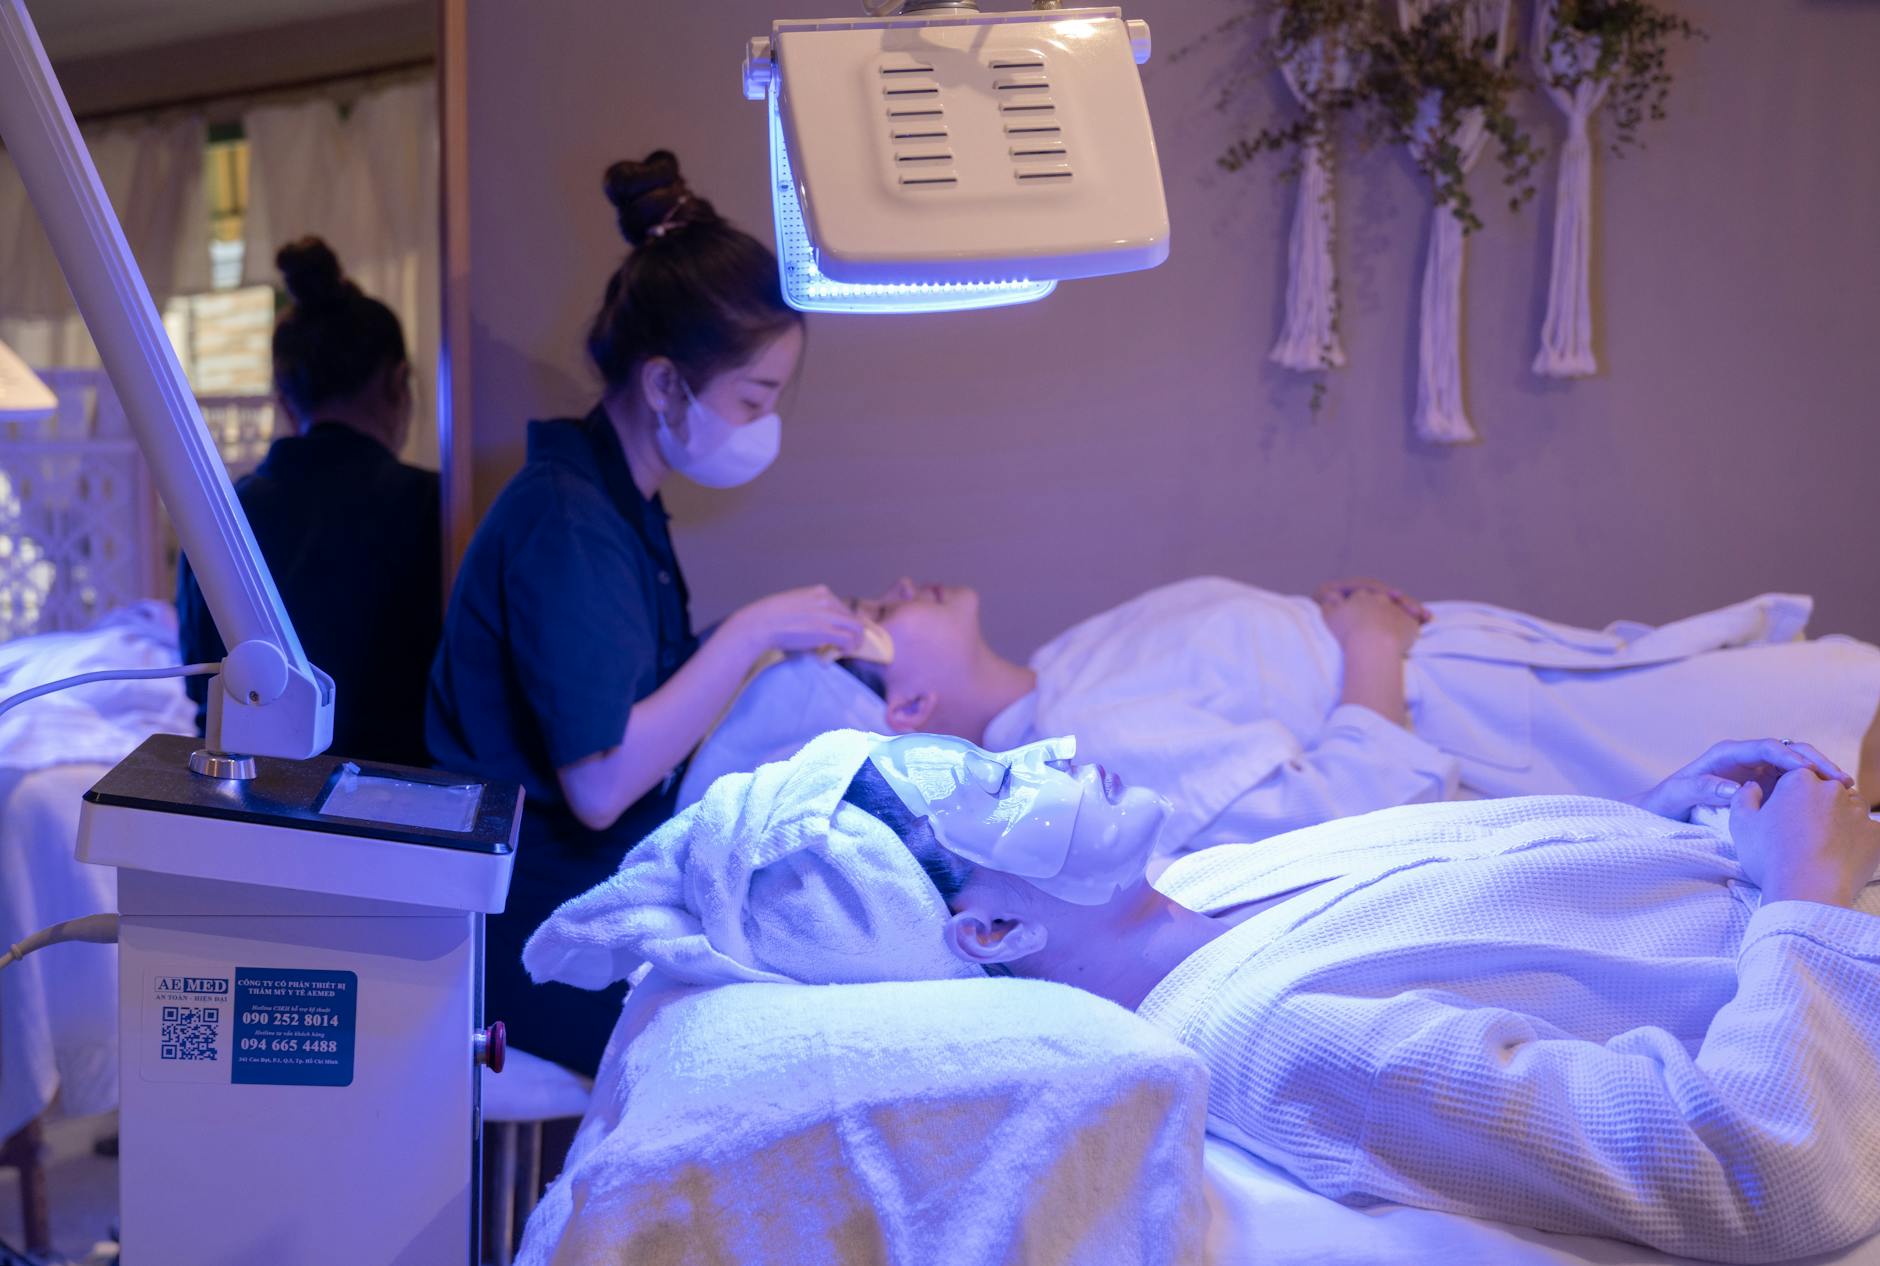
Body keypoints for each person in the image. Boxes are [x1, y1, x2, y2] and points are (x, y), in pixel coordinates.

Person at [839, 730, 1880, 1264]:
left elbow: (1480, 925)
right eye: (1002, 787)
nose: (1053, 750)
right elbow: (1751, 1172)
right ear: (992, 934)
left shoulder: (1198, 890)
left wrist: (1638, 831)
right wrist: (1801, 888)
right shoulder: (1273, 1036)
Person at [427, 151, 864, 1074]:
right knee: (780, 1050)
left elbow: (637, 682)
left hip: (582, 887)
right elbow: (600, 782)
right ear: (666, 384)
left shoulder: (619, 501)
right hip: (534, 927)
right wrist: (752, 630)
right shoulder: (568, 522)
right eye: (753, 398)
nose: (763, 423)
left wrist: (769, 647)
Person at [841, 575, 1880, 853]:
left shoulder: (1070, 658)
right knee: (1842, 710)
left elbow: (1257, 671)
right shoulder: (1090, 749)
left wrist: (1332, 615)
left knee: (1840, 684)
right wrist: (1369, 647)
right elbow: (1342, 809)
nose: (895, 586)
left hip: (1514, 674)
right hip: (1516, 738)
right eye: (877, 615)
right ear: (909, 708)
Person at [176, 237, 438, 767]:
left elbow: (199, 681)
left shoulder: (224, 516)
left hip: (248, 799)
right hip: (395, 809)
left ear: (283, 396)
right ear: (397, 383)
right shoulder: (434, 507)